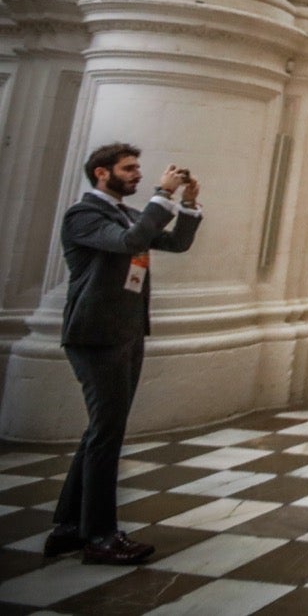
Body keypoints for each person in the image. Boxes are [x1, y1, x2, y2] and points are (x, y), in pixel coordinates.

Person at [48, 143, 202, 565]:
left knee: (102, 429)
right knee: (107, 433)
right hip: (96, 334)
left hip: (126, 332)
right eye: (128, 168)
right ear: (102, 173)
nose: (137, 174)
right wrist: (162, 194)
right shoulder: (84, 215)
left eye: (138, 168)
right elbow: (129, 242)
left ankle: (67, 527)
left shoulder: (126, 212)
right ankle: (99, 535)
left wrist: (187, 206)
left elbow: (173, 244)